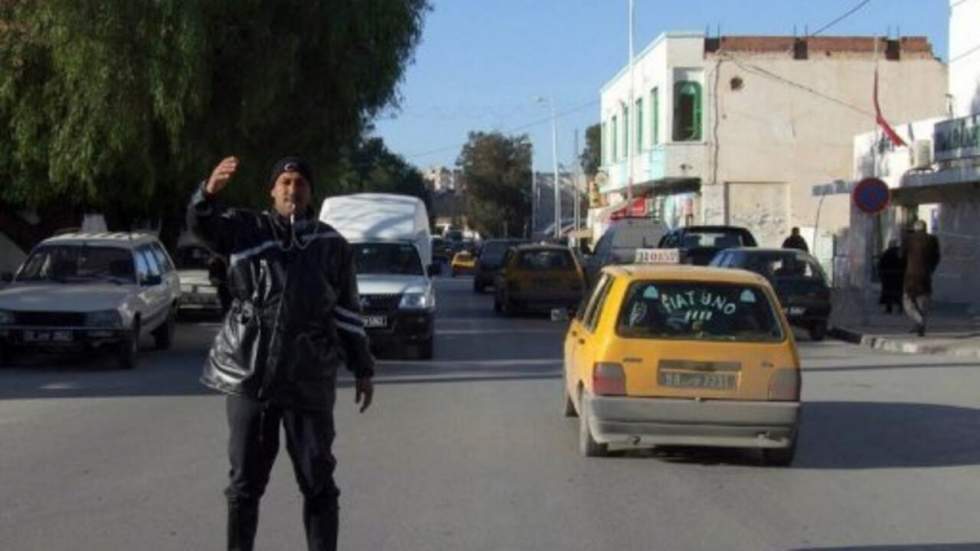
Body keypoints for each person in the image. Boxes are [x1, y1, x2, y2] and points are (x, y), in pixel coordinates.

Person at [187, 156, 375, 551]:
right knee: (244, 485)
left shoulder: (332, 246)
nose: (293, 189)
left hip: (308, 379)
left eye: (300, 182)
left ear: (311, 191)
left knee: (318, 481)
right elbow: (201, 226)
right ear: (272, 190)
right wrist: (207, 194)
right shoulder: (245, 229)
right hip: (249, 374)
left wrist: (362, 367)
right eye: (285, 182)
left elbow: (347, 313)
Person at [902, 220, 941, 337]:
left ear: (915, 228)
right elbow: (937, 257)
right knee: (922, 302)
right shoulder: (933, 239)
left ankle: (919, 321)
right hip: (926, 275)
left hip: (911, 275)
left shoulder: (908, 239)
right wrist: (931, 268)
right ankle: (920, 328)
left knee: (907, 301)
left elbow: (901, 255)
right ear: (925, 228)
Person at [877, 239, 904, 314]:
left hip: (888, 276)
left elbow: (881, 264)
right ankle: (900, 307)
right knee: (899, 292)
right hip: (898, 276)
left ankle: (889, 309)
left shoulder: (886, 253)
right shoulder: (899, 253)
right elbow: (904, 263)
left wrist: (881, 275)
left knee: (888, 293)